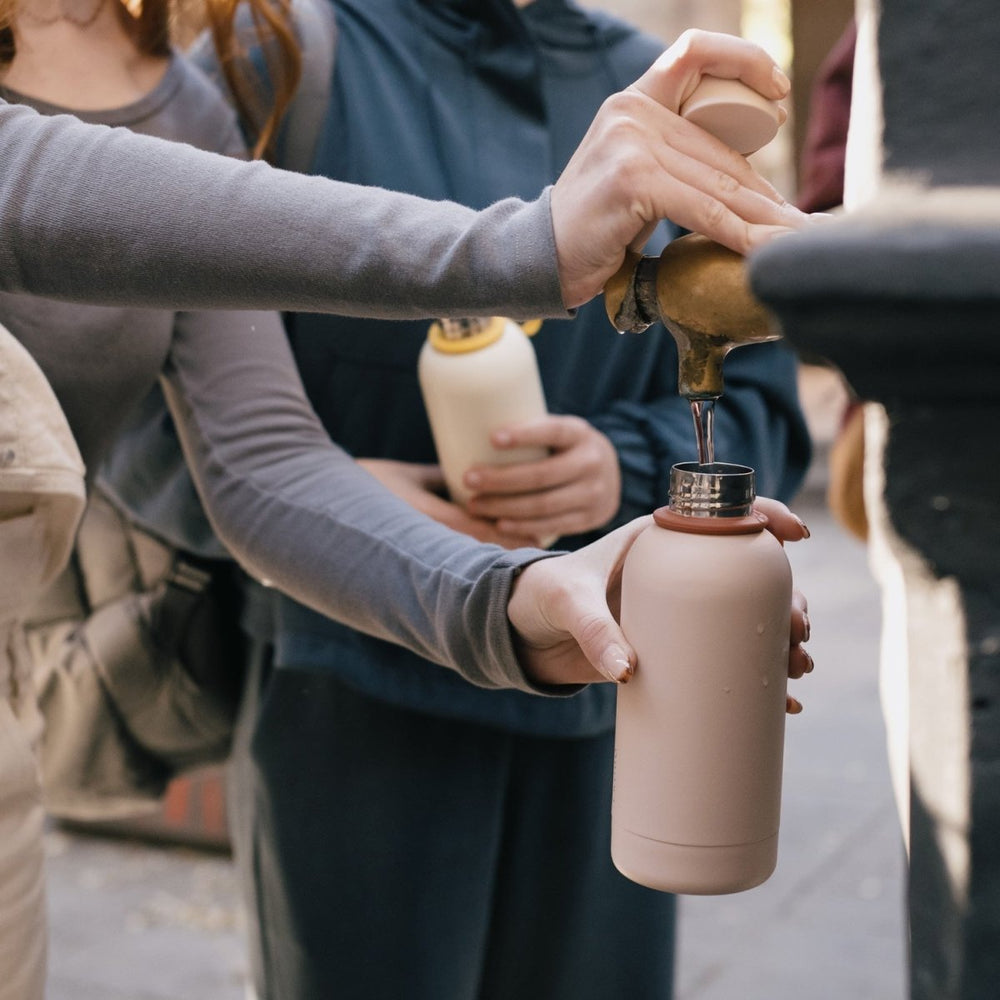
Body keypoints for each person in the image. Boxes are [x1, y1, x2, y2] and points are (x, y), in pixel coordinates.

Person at [0, 3, 812, 998]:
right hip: (341, 678)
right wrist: (524, 251)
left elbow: (261, 457)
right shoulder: (280, 59)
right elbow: (62, 220)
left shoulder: (181, 77)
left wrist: (526, 588)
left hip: (595, 661)